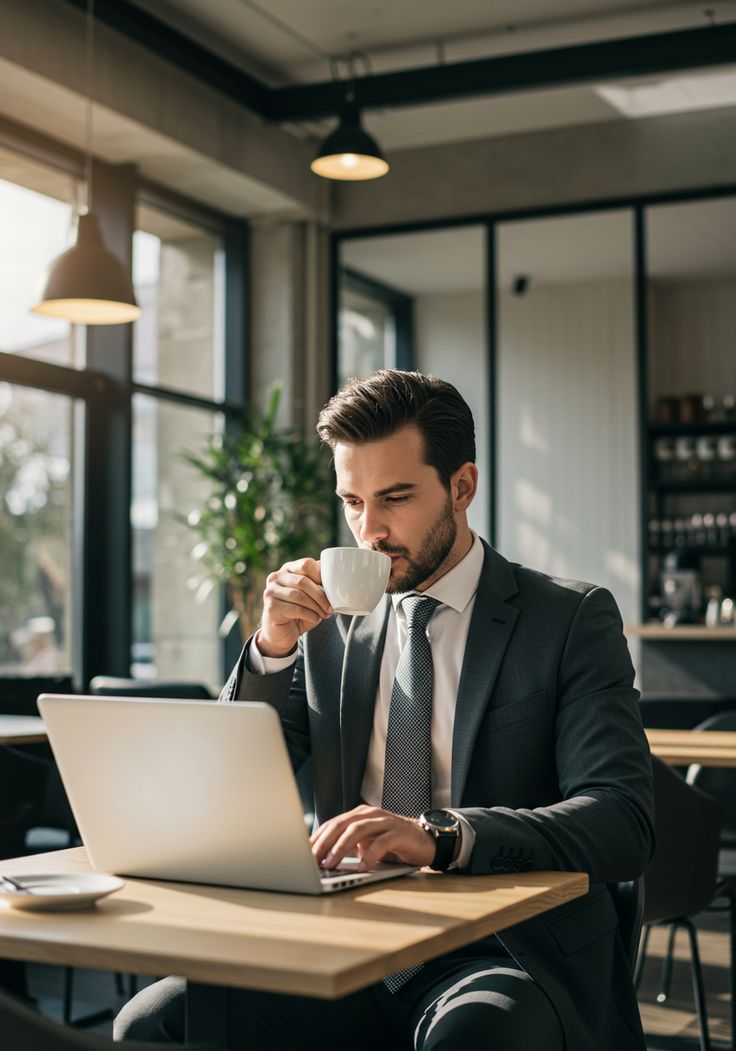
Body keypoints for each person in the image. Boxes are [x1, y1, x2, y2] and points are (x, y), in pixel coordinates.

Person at [115, 369, 654, 1051]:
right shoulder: (328, 631)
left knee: (474, 1036)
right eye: (352, 501)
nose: (370, 530)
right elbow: (227, 791)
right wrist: (273, 648)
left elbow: (622, 819)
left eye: (395, 497)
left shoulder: (567, 618)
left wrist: (444, 835)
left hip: (499, 949)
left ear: (462, 486)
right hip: (343, 939)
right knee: (150, 1026)